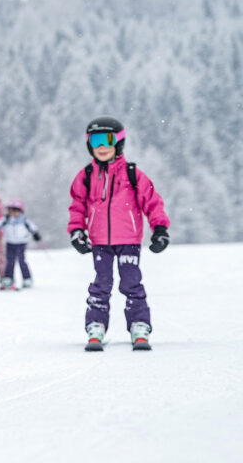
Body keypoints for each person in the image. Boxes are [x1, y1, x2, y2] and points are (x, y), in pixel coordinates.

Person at [68, 117, 170, 351]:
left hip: (129, 241)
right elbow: (77, 206)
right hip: (100, 241)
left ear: (119, 142)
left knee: (132, 283)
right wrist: (76, 231)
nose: (101, 146)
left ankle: (139, 325)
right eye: (95, 140)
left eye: (108, 139)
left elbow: (152, 202)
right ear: (89, 144)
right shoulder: (85, 176)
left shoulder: (132, 174)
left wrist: (160, 229)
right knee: (101, 284)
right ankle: (96, 325)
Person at [0, 199, 40, 290]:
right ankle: (8, 278)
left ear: (20, 211)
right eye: (11, 210)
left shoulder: (24, 220)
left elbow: (32, 227)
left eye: (15, 210)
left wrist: (36, 234)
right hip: (10, 243)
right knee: (10, 261)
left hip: (21, 243)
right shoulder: (6, 219)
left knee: (22, 261)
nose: (13, 213)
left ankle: (27, 278)